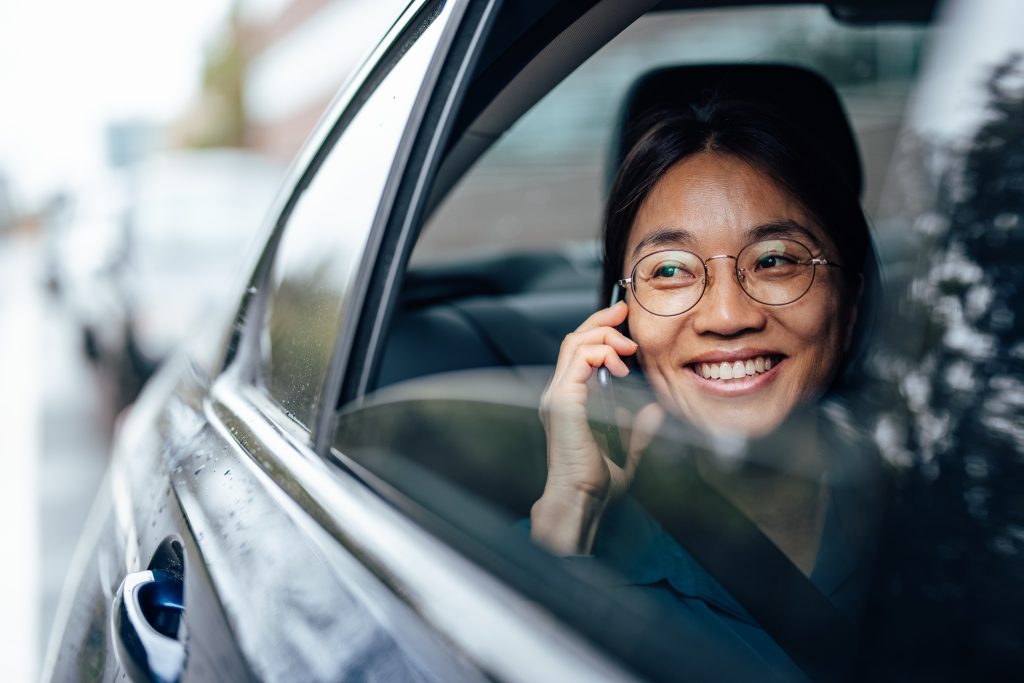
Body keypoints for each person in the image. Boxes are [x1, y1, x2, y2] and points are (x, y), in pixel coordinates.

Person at [530, 97, 880, 678]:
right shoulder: (553, 544)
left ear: (849, 307)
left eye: (775, 260)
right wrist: (570, 510)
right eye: (670, 269)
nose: (725, 315)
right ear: (621, 318)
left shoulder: (954, 516)